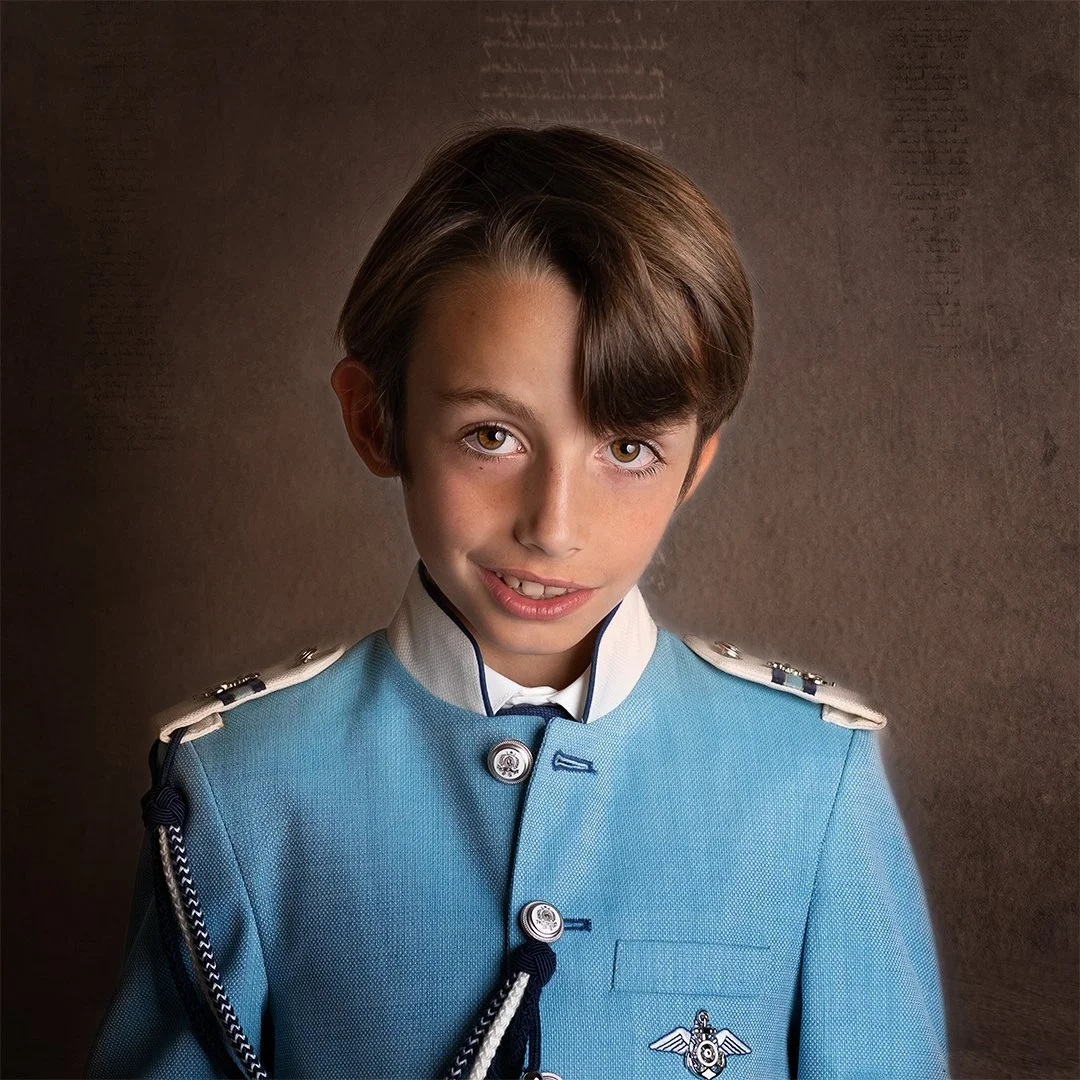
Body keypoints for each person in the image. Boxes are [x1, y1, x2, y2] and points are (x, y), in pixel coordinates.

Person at [85, 122, 950, 1080]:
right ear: (377, 421)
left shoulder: (810, 779)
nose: (554, 525)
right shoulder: (238, 785)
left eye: (627, 449)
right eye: (492, 435)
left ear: (694, 465)